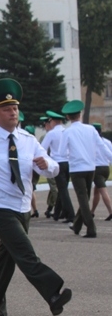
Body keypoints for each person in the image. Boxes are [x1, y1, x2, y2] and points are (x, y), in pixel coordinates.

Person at [0, 79, 73, 316]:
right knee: (25, 253)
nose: (13, 113)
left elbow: (53, 167)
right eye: (6, 109)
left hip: (23, 207)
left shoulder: (27, 139)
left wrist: (47, 165)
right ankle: (53, 293)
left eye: (15, 108)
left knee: (6, 263)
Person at [58, 100, 112, 238]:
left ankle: (91, 228)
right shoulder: (91, 129)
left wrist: (72, 154)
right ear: (80, 114)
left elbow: (61, 152)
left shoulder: (67, 132)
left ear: (68, 117)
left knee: (83, 199)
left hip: (77, 169)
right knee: (85, 197)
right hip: (91, 168)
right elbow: (102, 146)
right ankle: (77, 225)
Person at [41, 110, 73, 222]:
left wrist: (47, 161)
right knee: (63, 188)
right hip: (69, 162)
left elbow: (42, 149)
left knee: (62, 190)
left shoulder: (51, 133)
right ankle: (59, 212)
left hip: (58, 163)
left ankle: (71, 214)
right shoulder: (67, 131)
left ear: (53, 121)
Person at [90, 123, 112, 220]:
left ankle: (111, 211)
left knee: (103, 191)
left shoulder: (92, 143)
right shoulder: (107, 142)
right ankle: (92, 211)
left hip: (97, 168)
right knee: (97, 191)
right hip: (106, 168)